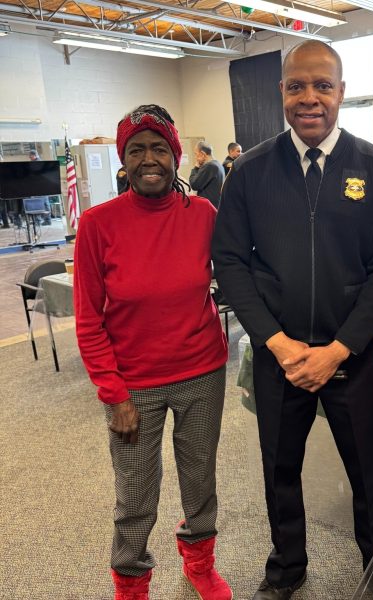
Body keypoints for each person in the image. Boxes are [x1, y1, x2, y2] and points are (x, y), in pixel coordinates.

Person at [212, 40, 373, 600]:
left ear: (341, 93)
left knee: (370, 477)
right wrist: (275, 342)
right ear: (281, 93)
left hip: (352, 354)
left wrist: (341, 347)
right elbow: (229, 261)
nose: (309, 98)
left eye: (323, 85)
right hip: (280, 357)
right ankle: (287, 568)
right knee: (281, 472)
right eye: (296, 85)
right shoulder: (249, 173)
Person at [74, 104, 231, 600]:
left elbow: (235, 274)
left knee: (199, 480)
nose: (149, 159)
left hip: (202, 372)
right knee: (136, 497)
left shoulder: (201, 213)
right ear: (123, 160)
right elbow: (87, 319)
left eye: (159, 148)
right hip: (132, 385)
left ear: (176, 157)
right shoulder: (99, 225)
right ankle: (132, 582)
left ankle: (199, 562)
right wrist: (112, 392)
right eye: (137, 149)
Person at [189, 142, 225, 209]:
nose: (195, 158)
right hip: (216, 206)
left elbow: (194, 184)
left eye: (196, 154)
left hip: (209, 208)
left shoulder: (209, 166)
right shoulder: (218, 164)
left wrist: (196, 167)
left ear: (202, 154)